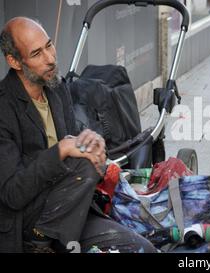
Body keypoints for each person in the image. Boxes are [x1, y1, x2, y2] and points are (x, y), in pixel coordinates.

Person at [0, 17, 157, 253]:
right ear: (14, 61)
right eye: (36, 54)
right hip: (27, 221)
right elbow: (12, 194)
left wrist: (92, 142)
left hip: (72, 210)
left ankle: (52, 241)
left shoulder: (56, 88)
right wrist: (61, 150)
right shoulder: (4, 107)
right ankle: (40, 242)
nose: (51, 58)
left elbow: (75, 140)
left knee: (143, 249)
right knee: (82, 165)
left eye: (49, 45)